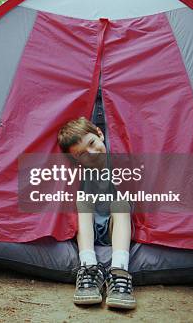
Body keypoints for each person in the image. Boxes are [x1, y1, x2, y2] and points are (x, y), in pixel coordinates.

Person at [57, 117, 137, 310]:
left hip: (115, 227)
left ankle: (119, 271)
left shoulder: (119, 160)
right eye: (83, 154)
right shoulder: (80, 173)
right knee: (82, 201)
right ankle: (88, 268)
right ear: (76, 159)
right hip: (90, 228)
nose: (92, 154)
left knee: (120, 204)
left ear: (100, 134)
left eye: (92, 143)